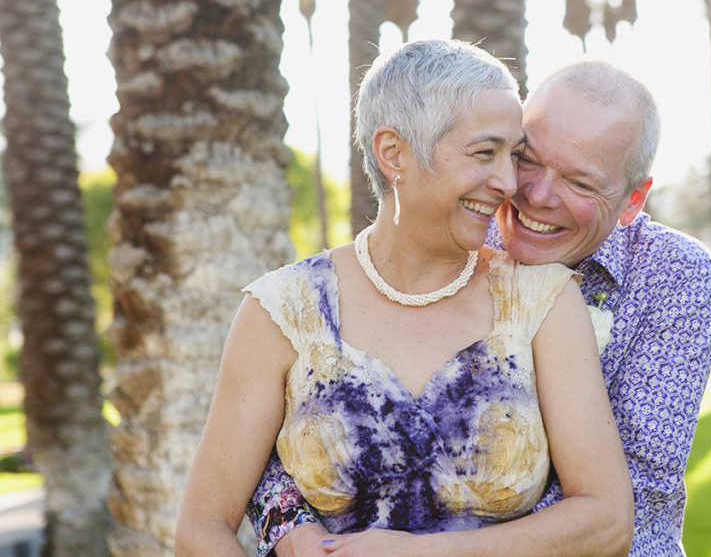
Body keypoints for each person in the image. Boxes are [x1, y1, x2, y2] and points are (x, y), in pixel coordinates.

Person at [175, 40, 635, 556]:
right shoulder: (284, 310)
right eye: (486, 152)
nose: (509, 182)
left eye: (514, 154)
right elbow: (203, 528)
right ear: (394, 153)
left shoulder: (540, 303)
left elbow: (606, 521)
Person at [252, 60, 711, 556]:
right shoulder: (462, 230)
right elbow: (299, 421)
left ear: (632, 200)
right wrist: (298, 534)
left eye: (580, 184)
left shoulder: (676, 274)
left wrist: (423, 550)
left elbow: (628, 500)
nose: (537, 196)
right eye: (527, 158)